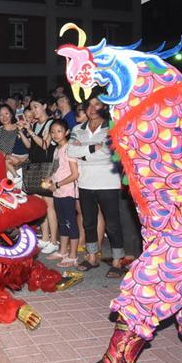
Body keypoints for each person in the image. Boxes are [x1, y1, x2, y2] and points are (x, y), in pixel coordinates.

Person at [67, 97, 128, 278]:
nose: (93, 109)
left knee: (113, 223)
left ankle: (118, 260)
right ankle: (92, 256)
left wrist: (85, 151)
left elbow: (109, 154)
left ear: (104, 107)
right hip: (85, 182)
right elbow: (71, 151)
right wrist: (95, 147)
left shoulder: (112, 127)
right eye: (90, 105)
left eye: (97, 105)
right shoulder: (78, 129)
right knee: (89, 222)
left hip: (108, 182)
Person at [44, 120, 79, 267]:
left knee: (71, 222)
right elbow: (57, 169)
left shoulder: (69, 148)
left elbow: (75, 174)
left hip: (68, 192)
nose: (55, 134)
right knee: (62, 222)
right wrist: (50, 179)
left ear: (66, 132)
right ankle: (63, 250)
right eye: (52, 132)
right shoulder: (57, 150)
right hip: (58, 192)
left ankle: (73, 255)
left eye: (59, 131)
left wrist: (57, 184)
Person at [26, 97, 58, 253]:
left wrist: (31, 132)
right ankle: (45, 237)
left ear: (45, 105)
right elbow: (30, 147)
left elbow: (45, 145)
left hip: (47, 168)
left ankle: (54, 240)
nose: (33, 110)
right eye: (32, 108)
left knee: (49, 203)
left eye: (36, 106)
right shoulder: (35, 124)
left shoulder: (51, 124)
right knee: (40, 203)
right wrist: (24, 131)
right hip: (35, 168)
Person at [0, 105, 29, 177]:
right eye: (1, 115)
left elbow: (30, 146)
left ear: (11, 114)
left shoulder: (20, 127)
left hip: (23, 166)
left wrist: (23, 159)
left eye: (6, 113)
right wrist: (7, 156)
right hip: (4, 166)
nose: (4, 117)